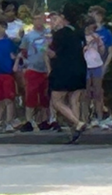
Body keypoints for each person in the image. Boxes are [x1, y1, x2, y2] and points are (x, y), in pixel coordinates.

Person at [47, 7, 88, 142]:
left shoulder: (60, 34)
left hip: (64, 69)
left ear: (63, 17)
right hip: (80, 68)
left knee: (57, 100)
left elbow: (53, 54)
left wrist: (45, 47)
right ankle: (75, 132)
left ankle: (77, 123)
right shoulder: (79, 32)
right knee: (74, 99)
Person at [19, 12, 51, 130]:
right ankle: (29, 120)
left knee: (45, 95)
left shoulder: (49, 34)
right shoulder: (28, 36)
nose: (38, 22)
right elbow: (23, 50)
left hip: (46, 69)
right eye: (36, 19)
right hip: (33, 68)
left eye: (40, 19)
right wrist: (26, 63)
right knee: (31, 94)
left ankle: (44, 119)